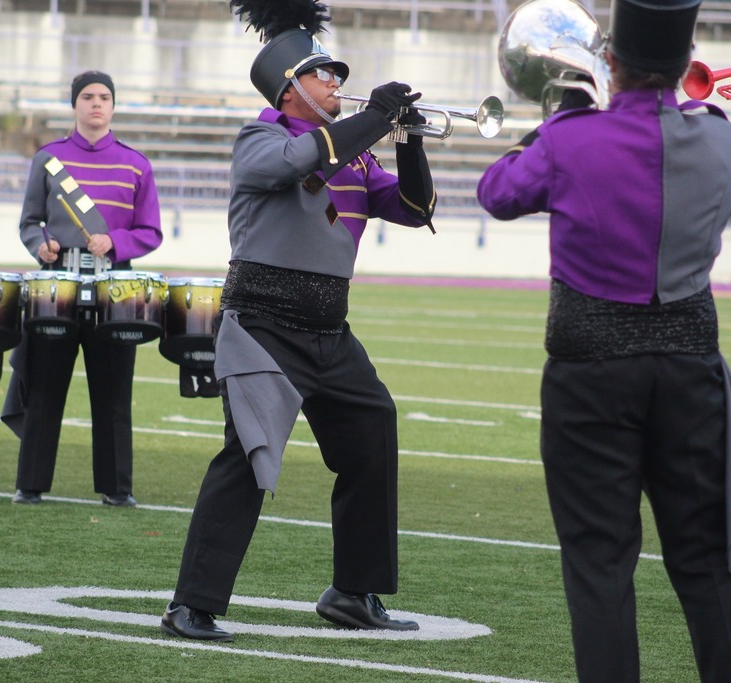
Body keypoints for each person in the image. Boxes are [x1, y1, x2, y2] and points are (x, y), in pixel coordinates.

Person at [477, 0, 731, 680]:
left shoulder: (572, 136)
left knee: (600, 564)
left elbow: (497, 192)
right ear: (683, 62)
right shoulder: (722, 137)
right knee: (708, 563)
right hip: (691, 372)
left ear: (610, 62)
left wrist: (557, 113)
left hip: (591, 374)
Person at [160, 0, 437, 642]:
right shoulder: (261, 137)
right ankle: (189, 605)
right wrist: (373, 119)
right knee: (247, 458)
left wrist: (410, 139)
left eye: (338, 75)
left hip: (329, 331)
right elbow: (296, 163)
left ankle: (352, 592)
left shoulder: (357, 153)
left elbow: (417, 208)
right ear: (291, 89)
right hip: (262, 326)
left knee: (373, 430)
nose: (337, 84)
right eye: (324, 76)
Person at [1, 70, 163, 508]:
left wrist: (116, 241)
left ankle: (116, 488)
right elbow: (28, 222)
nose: (96, 104)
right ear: (75, 105)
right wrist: (42, 246)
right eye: (88, 97)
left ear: (113, 106)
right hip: (58, 288)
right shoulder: (48, 159)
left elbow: (151, 232)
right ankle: (30, 484)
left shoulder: (136, 163)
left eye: (104, 97)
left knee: (113, 392)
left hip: (115, 291)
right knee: (45, 387)